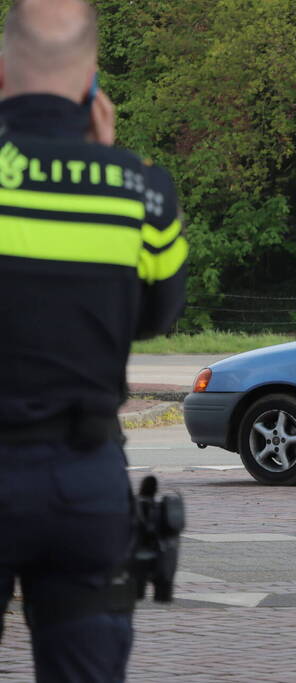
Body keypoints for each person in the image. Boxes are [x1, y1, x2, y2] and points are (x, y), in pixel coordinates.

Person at [0, 1, 187, 681]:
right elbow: (155, 314)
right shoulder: (145, 193)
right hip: (84, 482)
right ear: (90, 85)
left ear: (1, 72)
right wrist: (103, 163)